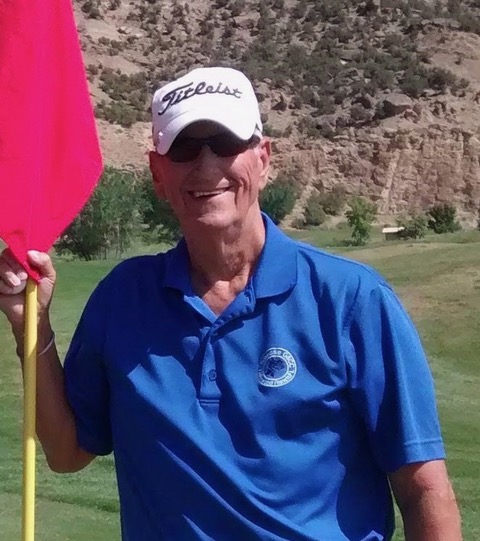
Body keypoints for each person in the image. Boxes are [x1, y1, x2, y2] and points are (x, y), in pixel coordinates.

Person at [0, 66, 462, 540]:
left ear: (263, 159)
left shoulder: (352, 299)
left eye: (225, 144)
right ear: (157, 174)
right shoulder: (122, 298)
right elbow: (67, 453)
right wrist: (30, 323)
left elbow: (424, 489)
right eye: (184, 148)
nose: (206, 166)